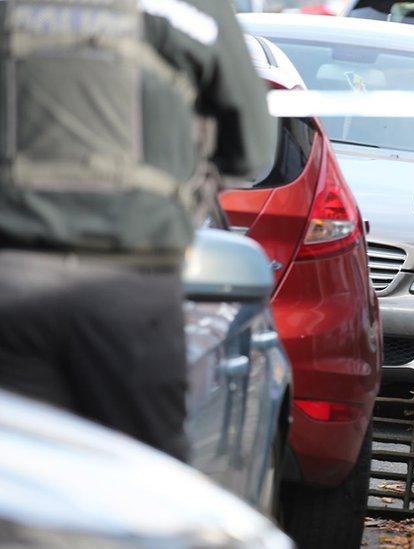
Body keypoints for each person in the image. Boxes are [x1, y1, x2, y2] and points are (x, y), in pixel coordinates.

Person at [0, 0, 274, 460]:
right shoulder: (194, 8)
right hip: (129, 288)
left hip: (12, 281)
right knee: (143, 486)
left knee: (21, 481)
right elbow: (250, 151)